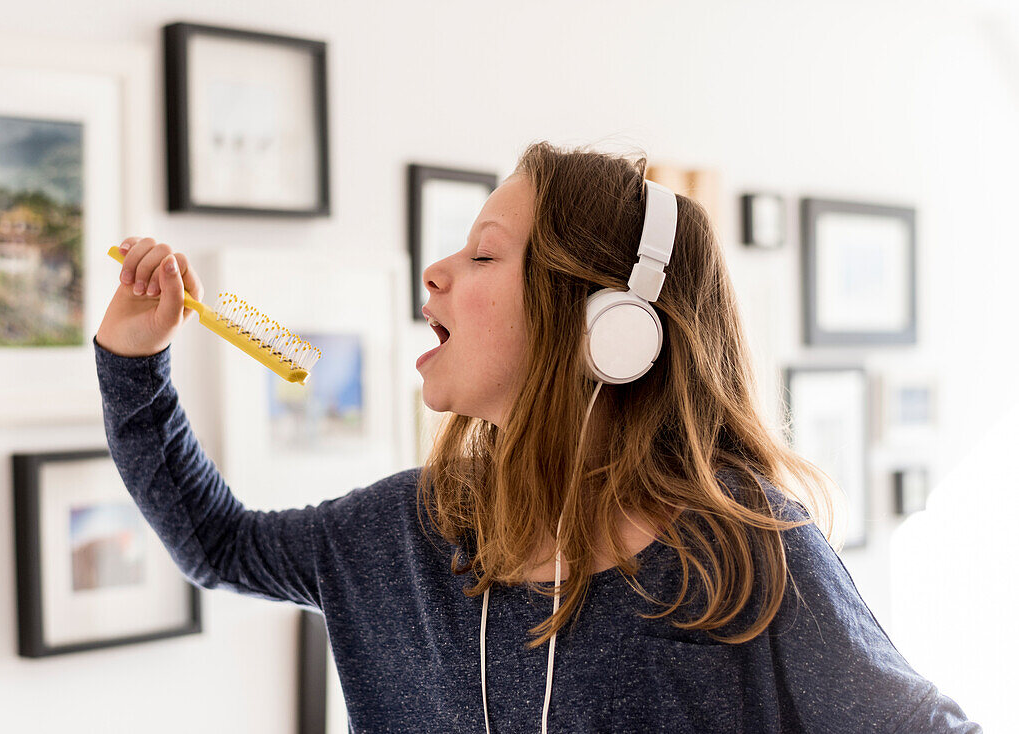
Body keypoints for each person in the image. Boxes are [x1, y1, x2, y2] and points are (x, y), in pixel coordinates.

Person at [94, 141, 981, 733]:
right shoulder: (403, 532)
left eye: (483, 255)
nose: (435, 273)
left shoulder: (744, 552)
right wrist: (133, 364)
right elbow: (215, 543)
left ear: (608, 324)